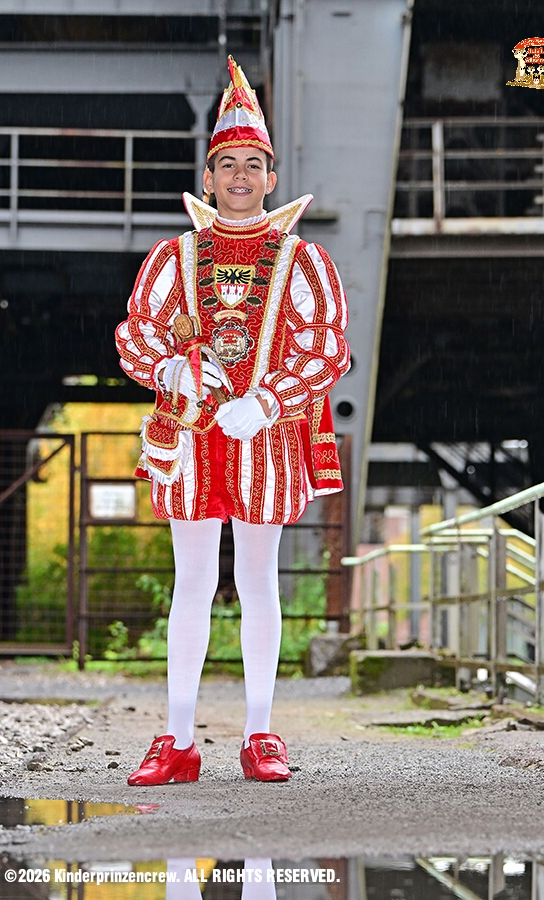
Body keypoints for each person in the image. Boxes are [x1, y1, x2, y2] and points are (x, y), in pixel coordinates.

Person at [115, 56, 349, 785]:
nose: (241, 176)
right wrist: (170, 369)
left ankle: (259, 734)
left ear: (271, 178)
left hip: (265, 443)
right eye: (228, 164)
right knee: (190, 582)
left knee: (257, 580)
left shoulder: (304, 261)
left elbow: (327, 348)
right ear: (208, 177)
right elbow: (136, 333)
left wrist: (268, 401)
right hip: (189, 441)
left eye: (253, 164)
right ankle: (178, 739)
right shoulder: (174, 256)